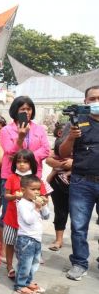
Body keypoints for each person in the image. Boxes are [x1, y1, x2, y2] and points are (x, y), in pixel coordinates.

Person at [60, 85, 99, 280]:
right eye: (92, 99)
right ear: (85, 102)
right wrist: (71, 138)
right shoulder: (76, 121)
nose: (96, 102)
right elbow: (62, 153)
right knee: (79, 225)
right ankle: (79, 263)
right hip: (81, 182)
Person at [0, 97, 50, 226]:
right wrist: (20, 137)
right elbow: (9, 152)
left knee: (32, 210)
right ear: (15, 111)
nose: (26, 112)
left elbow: (45, 150)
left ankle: (27, 239)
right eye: (23, 109)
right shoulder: (6, 130)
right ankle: (5, 245)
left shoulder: (39, 129)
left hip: (33, 177)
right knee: (8, 213)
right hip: (11, 176)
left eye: (29, 109)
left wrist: (27, 157)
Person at [3, 149, 48, 280]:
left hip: (29, 222)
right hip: (12, 218)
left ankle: (22, 268)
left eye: (25, 162)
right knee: (10, 242)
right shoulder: (12, 178)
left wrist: (43, 200)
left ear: (32, 164)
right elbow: (6, 195)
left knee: (24, 246)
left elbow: (44, 196)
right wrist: (14, 196)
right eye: (19, 161)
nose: (21, 164)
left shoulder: (36, 180)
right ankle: (9, 265)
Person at [14, 175, 47, 294]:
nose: (37, 192)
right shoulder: (22, 203)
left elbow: (47, 216)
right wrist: (37, 209)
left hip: (36, 238)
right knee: (26, 263)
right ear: (23, 190)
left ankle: (28, 282)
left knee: (34, 263)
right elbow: (28, 220)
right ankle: (20, 285)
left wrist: (44, 206)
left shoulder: (34, 202)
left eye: (38, 189)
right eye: (33, 189)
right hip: (26, 239)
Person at [45, 124, 72, 252]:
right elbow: (49, 159)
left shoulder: (84, 144)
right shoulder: (59, 144)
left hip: (79, 182)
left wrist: (73, 164)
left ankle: (77, 241)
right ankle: (58, 239)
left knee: (78, 215)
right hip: (58, 183)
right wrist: (62, 165)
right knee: (60, 211)